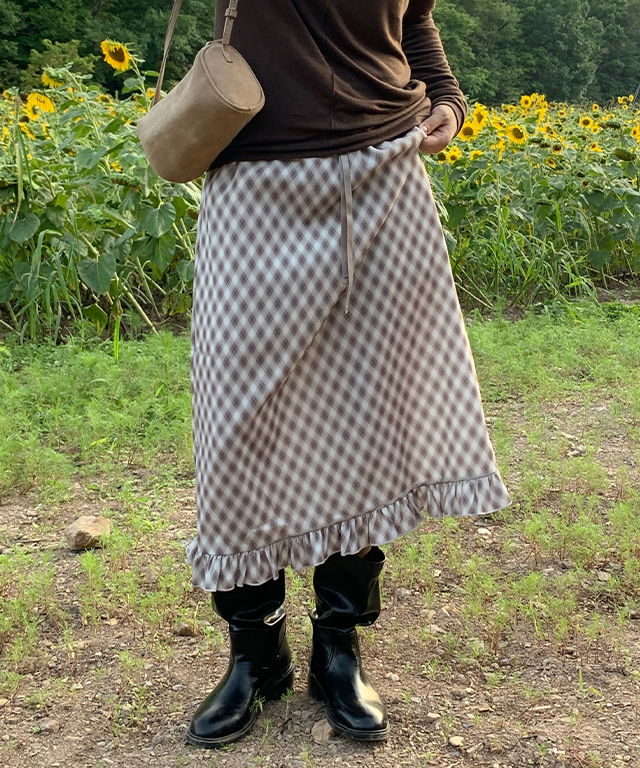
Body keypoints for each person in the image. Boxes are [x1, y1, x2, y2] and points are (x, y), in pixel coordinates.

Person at [184, 0, 512, 749]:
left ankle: (339, 648)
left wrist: (448, 97)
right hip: (256, 174)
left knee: (367, 423)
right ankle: (255, 654)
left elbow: (414, 19)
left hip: (384, 172)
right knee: (236, 428)